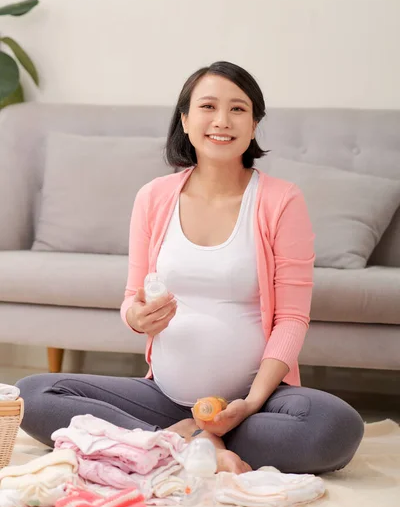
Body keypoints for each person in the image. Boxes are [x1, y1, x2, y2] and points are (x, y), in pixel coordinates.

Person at [17, 61, 364, 475]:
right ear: (185, 119)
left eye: (238, 109)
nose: (222, 120)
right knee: (32, 394)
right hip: (164, 398)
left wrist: (250, 402)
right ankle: (189, 441)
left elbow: (291, 318)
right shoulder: (154, 197)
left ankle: (159, 443)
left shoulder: (281, 201)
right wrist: (137, 317)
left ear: (254, 124)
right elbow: (133, 299)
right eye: (208, 106)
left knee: (334, 427)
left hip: (254, 404)